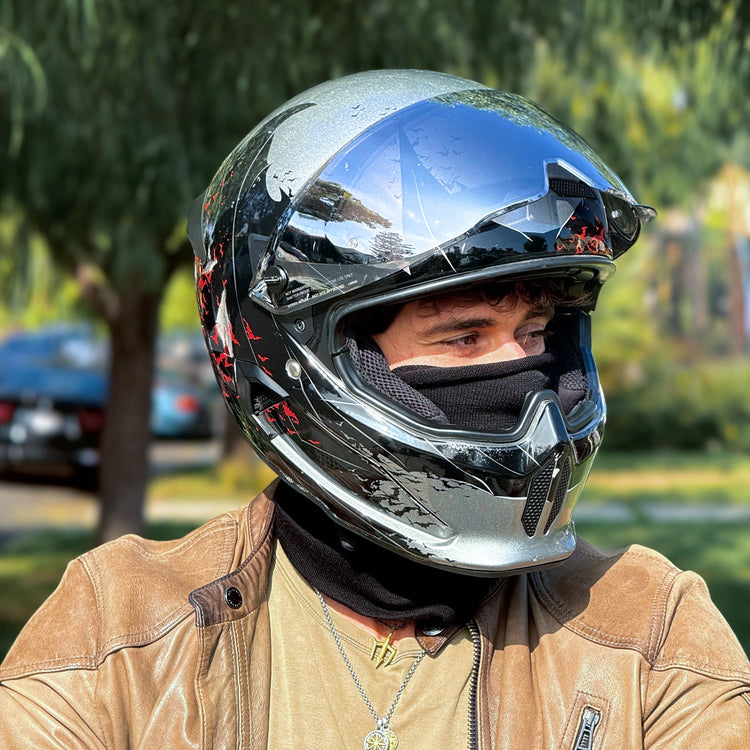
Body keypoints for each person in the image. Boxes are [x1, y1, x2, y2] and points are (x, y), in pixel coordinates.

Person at [1, 69, 748, 749]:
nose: (525, 379)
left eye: (536, 333)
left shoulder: (648, 637)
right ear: (303, 356)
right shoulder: (118, 640)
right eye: (463, 338)